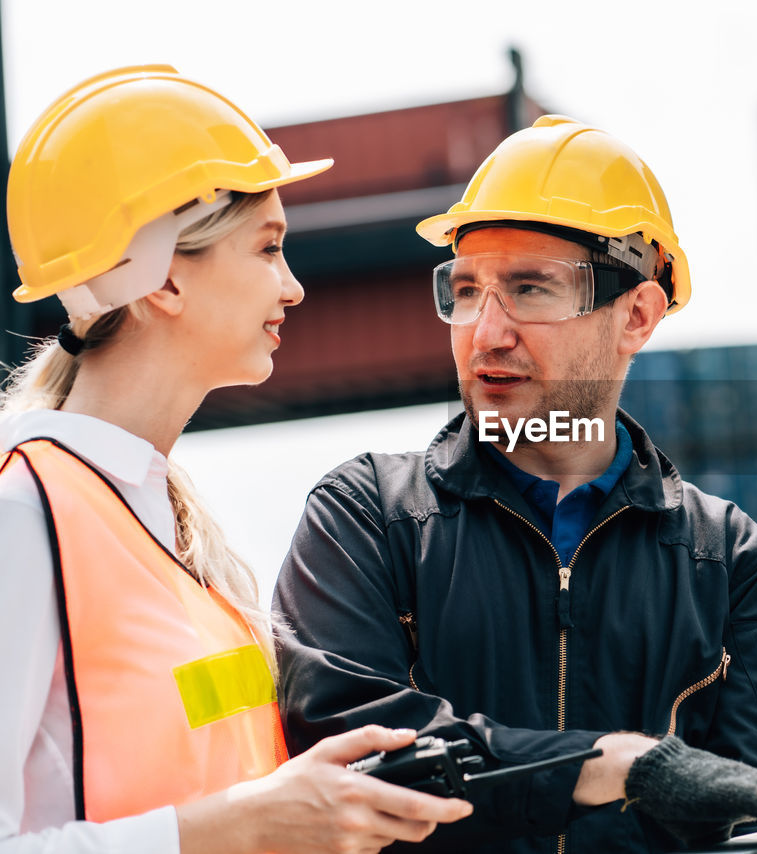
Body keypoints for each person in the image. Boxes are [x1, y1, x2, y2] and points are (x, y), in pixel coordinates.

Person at [273, 116, 757, 854]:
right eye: (466, 291)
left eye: (530, 289)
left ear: (638, 314)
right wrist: (623, 766)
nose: (485, 331)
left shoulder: (721, 555)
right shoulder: (368, 517)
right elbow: (358, 759)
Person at [0, 65, 472, 854]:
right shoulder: (23, 521)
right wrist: (247, 825)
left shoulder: (174, 532)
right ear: (166, 278)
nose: (292, 287)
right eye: (268, 247)